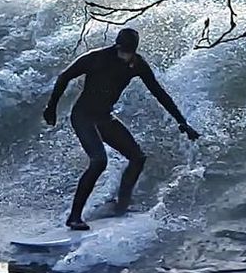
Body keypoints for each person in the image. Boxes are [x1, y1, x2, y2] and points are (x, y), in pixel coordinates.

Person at [43, 27, 197, 231]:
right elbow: (65, 76)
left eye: (129, 53)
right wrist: (51, 107)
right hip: (83, 116)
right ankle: (74, 217)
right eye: (122, 51)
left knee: (137, 158)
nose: (125, 57)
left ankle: (121, 207)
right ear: (116, 46)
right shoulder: (96, 58)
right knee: (99, 161)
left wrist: (182, 121)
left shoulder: (137, 64)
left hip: (104, 117)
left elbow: (158, 92)